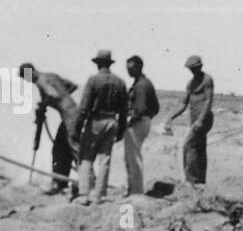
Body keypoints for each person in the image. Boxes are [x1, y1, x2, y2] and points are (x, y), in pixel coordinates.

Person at [74, 50, 129, 204]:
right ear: (109, 64)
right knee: (105, 159)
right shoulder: (120, 82)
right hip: (112, 121)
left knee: (86, 157)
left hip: (96, 121)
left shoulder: (93, 81)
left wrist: (77, 128)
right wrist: (121, 129)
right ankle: (100, 195)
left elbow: (84, 108)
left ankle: (84, 194)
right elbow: (124, 110)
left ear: (98, 64)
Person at [18, 62, 80, 196]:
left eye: (26, 78)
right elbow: (72, 86)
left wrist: (44, 103)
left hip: (70, 117)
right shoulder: (51, 76)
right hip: (72, 113)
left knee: (75, 149)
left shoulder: (41, 81)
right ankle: (60, 183)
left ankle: (86, 185)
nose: (28, 81)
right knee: (59, 148)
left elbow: (53, 95)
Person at [163, 55, 215, 187]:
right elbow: (183, 104)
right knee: (199, 148)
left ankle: (191, 180)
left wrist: (201, 120)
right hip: (194, 120)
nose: (192, 71)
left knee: (189, 145)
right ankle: (200, 181)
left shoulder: (207, 80)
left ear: (200, 67)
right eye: (190, 69)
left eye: (194, 68)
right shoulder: (190, 84)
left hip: (204, 119)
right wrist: (171, 116)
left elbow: (208, 101)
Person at [123, 55, 160, 196]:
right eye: (127, 69)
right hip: (143, 121)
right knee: (131, 157)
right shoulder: (143, 83)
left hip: (137, 123)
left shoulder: (141, 85)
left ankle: (136, 192)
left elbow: (139, 108)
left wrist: (132, 119)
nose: (129, 71)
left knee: (133, 158)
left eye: (131, 68)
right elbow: (156, 107)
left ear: (139, 67)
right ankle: (133, 189)